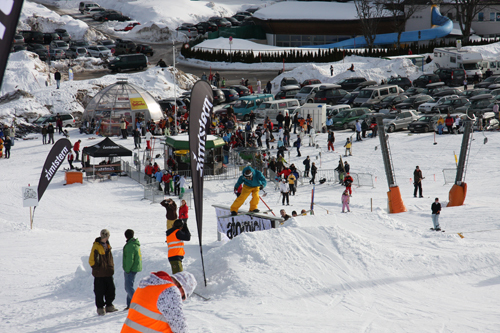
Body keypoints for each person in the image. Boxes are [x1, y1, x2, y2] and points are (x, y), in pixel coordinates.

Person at [121, 270, 197, 333]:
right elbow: (180, 327)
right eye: (183, 296)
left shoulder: (146, 285)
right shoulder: (170, 290)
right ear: (181, 288)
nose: (181, 299)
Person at [89, 229, 117, 316]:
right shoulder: (96, 246)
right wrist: (97, 268)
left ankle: (109, 305)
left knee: (111, 290)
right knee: (99, 291)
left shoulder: (108, 245)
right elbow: (91, 260)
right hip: (100, 274)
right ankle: (100, 308)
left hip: (108, 272)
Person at [123, 229, 142, 310]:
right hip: (134, 268)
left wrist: (127, 269)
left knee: (128, 287)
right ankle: (130, 304)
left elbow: (129, 260)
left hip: (130, 269)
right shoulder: (134, 243)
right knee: (129, 286)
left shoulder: (130, 245)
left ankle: (136, 304)